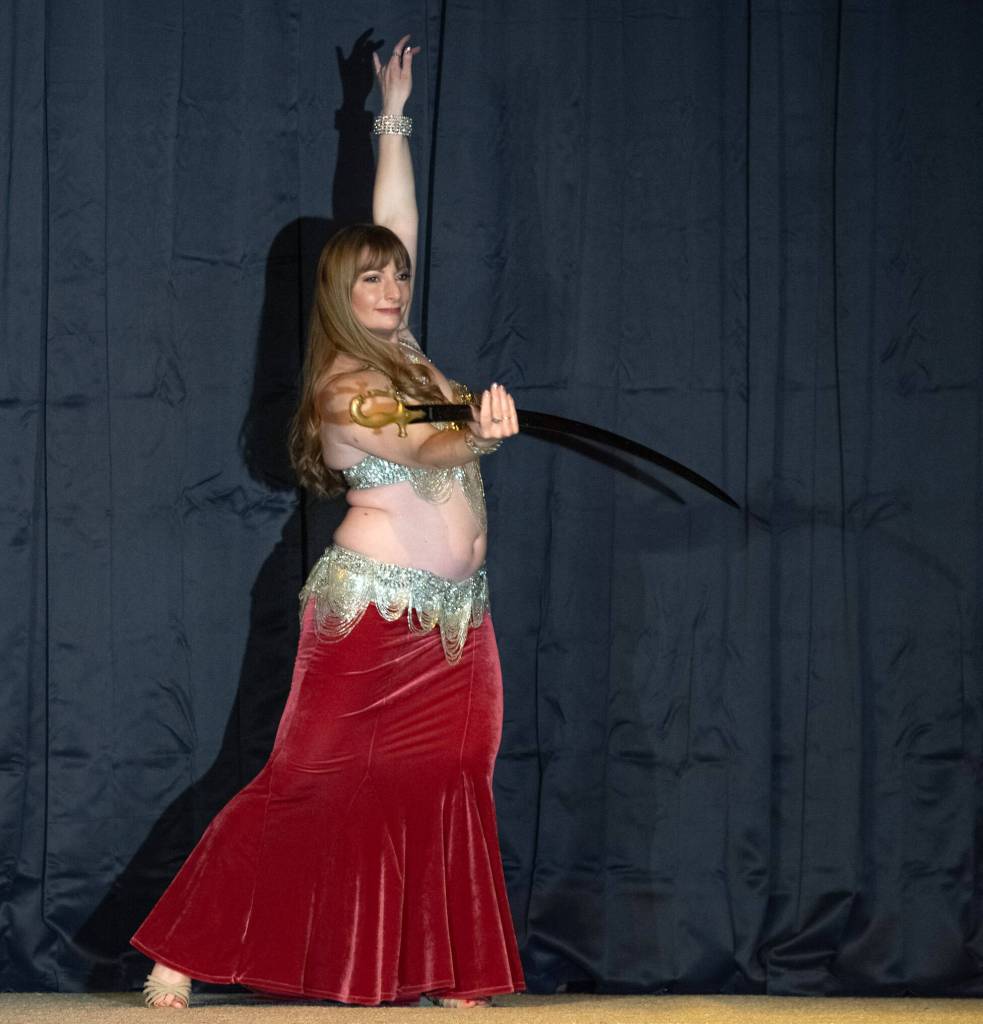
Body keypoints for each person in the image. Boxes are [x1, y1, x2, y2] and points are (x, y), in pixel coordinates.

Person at [131, 33, 526, 1009]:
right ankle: (179, 947)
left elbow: (393, 222)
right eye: (371, 280)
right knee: (306, 782)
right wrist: (476, 433)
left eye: (398, 277)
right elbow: (429, 447)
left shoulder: (415, 359)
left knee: (452, 779)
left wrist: (390, 119)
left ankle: (447, 970)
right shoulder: (344, 388)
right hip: (369, 624)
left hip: (456, 619)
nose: (393, 288)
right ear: (337, 301)